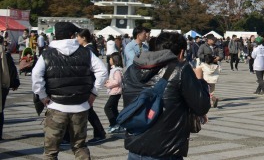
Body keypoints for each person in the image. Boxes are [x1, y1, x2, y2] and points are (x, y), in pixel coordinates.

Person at [123, 31, 210, 159]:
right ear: (181, 53)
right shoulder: (180, 69)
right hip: (165, 148)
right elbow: (201, 106)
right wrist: (200, 80)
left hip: (135, 146)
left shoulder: (132, 69)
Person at [31, 22, 107, 159]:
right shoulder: (86, 53)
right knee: (80, 146)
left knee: (50, 151)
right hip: (80, 106)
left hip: (56, 106)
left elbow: (36, 76)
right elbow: (102, 71)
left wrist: (42, 96)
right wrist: (93, 93)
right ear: (72, 35)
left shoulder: (47, 53)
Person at [76, 29, 107, 143]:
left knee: (88, 110)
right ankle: (99, 132)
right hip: (89, 82)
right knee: (88, 110)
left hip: (89, 83)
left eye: (78, 37)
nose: (76, 39)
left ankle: (99, 133)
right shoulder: (89, 48)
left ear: (84, 38)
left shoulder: (88, 49)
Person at [1, 34, 20, 140]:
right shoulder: (6, 54)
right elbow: (12, 70)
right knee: (1, 110)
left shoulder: (6, 55)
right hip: (4, 86)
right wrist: (14, 83)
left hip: (3, 86)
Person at [103, 52, 124, 133]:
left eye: (111, 59)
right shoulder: (114, 69)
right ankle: (119, 124)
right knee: (114, 109)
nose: (109, 60)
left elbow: (117, 82)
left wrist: (108, 84)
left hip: (116, 92)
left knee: (107, 108)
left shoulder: (116, 70)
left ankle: (113, 124)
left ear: (115, 60)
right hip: (115, 91)